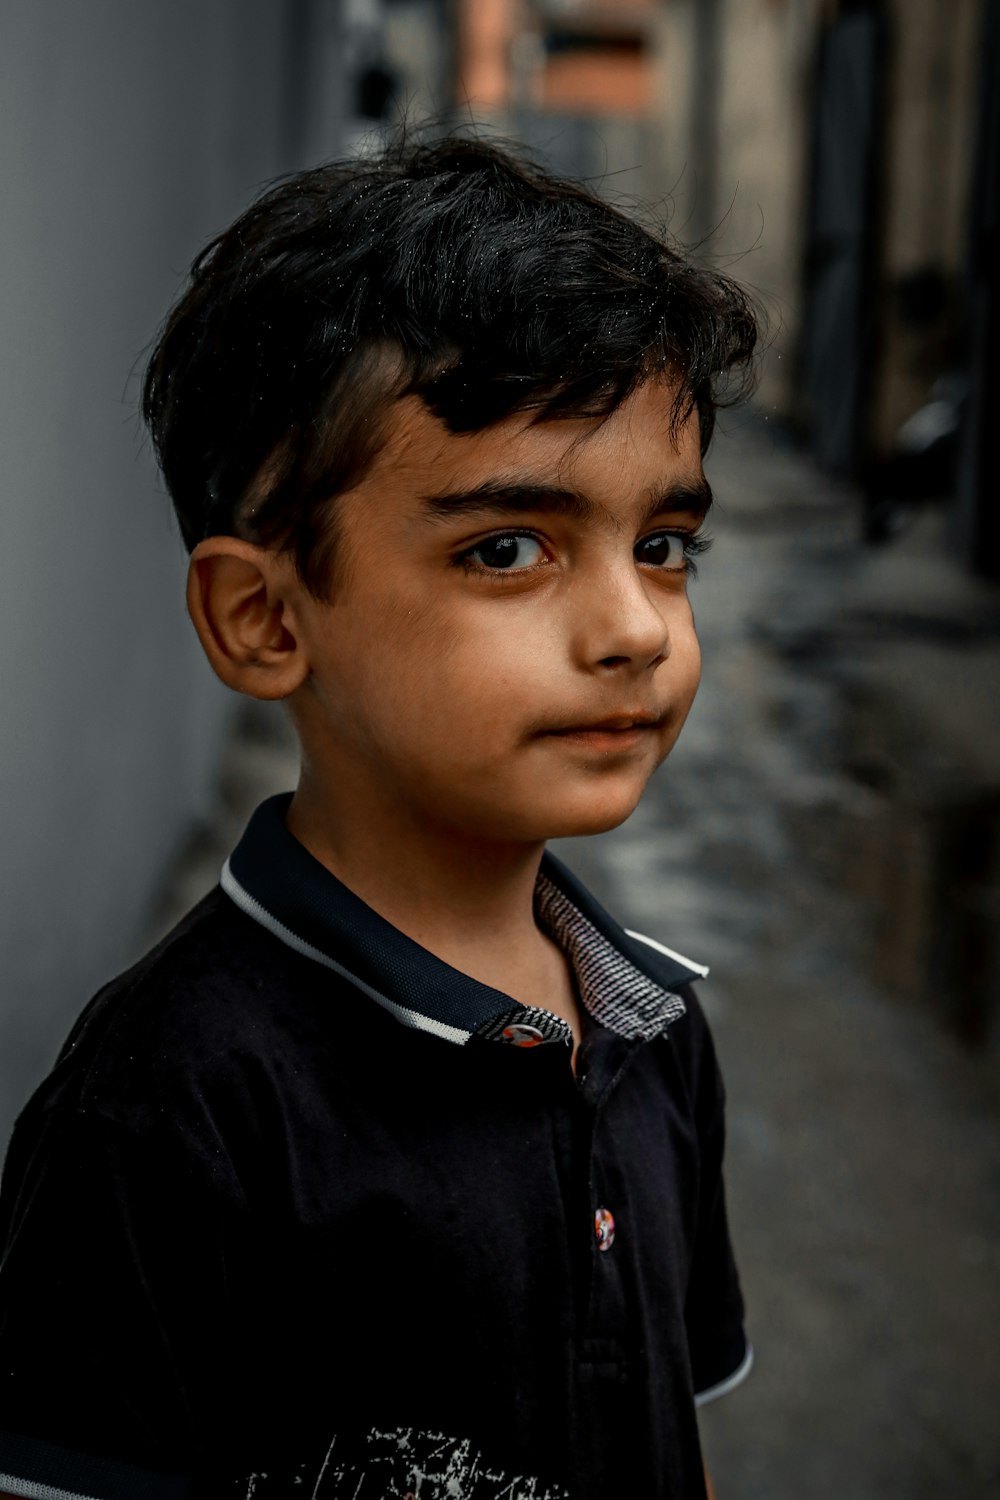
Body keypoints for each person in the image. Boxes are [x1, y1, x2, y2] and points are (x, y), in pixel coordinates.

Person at [0, 133, 758, 1500]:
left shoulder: (651, 1028)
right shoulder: (171, 1108)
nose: (637, 628)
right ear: (266, 617)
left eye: (663, 545)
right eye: (507, 549)